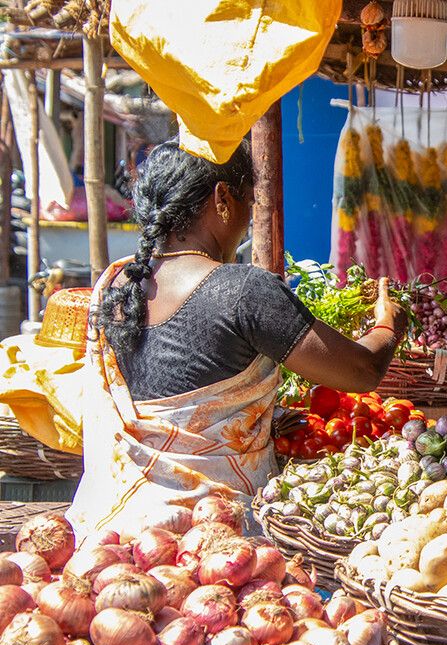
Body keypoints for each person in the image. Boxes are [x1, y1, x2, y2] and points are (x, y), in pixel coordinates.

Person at [66, 139, 408, 538]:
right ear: (222, 197)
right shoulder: (242, 290)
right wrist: (388, 324)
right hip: (212, 538)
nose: (248, 216)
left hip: (109, 532)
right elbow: (361, 370)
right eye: (249, 200)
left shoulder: (113, 284)